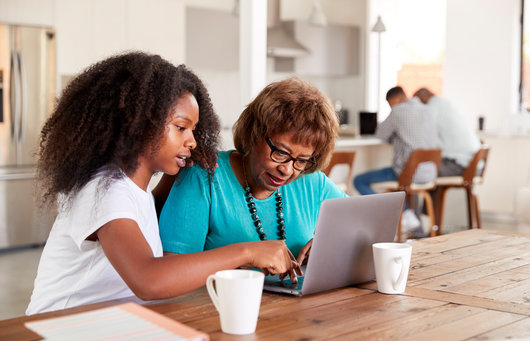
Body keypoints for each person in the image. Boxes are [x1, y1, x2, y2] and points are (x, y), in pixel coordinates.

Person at [26, 52, 299, 315]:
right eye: (181, 127)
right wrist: (248, 251)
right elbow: (148, 279)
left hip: (111, 327)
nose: (192, 141)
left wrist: (174, 177)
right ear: (139, 123)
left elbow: (142, 224)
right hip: (57, 331)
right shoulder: (102, 190)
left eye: (193, 130)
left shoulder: (133, 188)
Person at [159, 77, 347, 281]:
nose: (287, 169)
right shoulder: (205, 175)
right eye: (281, 152)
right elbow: (171, 272)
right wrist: (244, 254)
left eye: (302, 160)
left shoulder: (312, 182)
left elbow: (366, 226)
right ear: (254, 133)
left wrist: (333, 241)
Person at [353, 86, 439, 232]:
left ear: (396, 100)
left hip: (408, 173)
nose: (391, 108)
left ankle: (397, 213)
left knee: (359, 180)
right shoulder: (429, 110)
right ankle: (415, 226)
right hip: (430, 173)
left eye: (390, 104)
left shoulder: (398, 111)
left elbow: (380, 135)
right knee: (407, 187)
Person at [413, 88, 480, 176]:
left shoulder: (433, 104)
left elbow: (425, 132)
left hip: (461, 166)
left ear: (426, 96)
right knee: (424, 169)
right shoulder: (446, 103)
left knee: (418, 172)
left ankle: (425, 190)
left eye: (418, 102)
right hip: (474, 165)